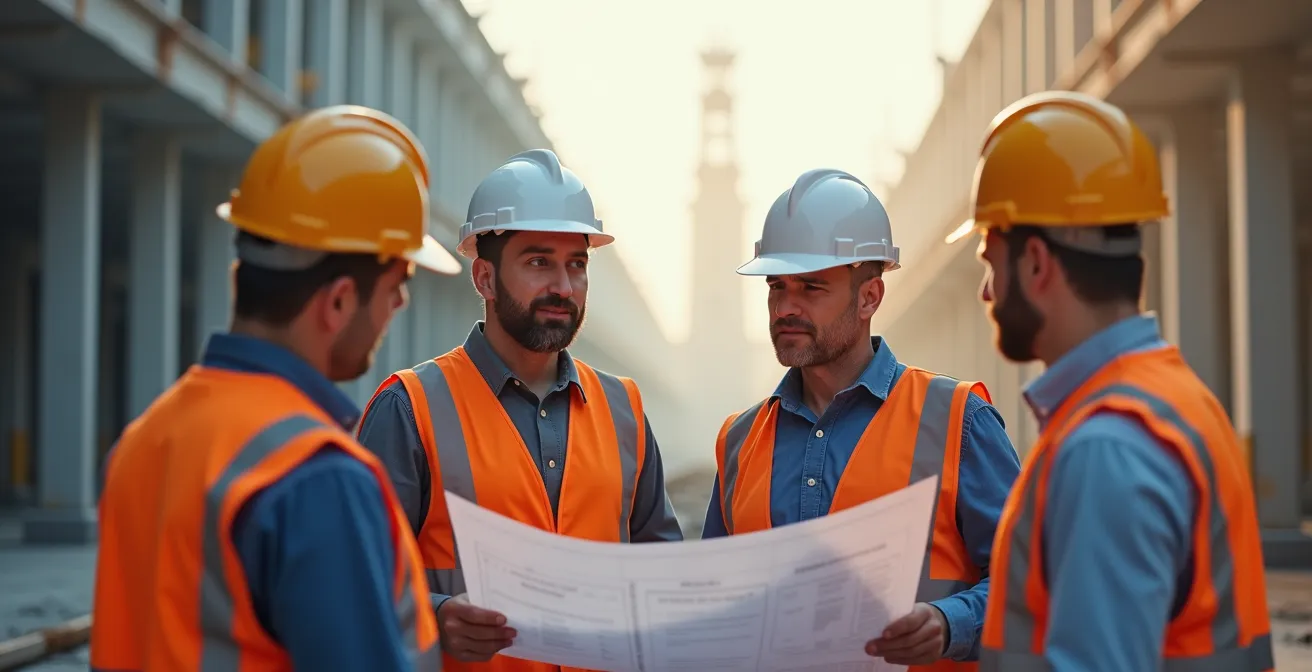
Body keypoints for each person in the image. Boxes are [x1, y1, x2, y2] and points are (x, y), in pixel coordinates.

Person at [90, 105, 462, 671]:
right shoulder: (316, 476)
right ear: (338, 301)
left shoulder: (142, 441)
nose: (400, 304)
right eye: (397, 283)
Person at [952, 90, 1274, 671]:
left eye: (988, 262)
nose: (985, 292)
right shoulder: (1174, 399)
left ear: (1036, 264)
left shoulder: (1106, 449)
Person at [355, 148, 685, 669]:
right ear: (483, 278)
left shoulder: (624, 410)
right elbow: (353, 579)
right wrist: (435, 616)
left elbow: (663, 577)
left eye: (576, 265)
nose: (563, 286)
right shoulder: (409, 408)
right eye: (538, 262)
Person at [701, 168, 1022, 670]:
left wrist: (949, 624)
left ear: (870, 296)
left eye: (811, 287)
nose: (786, 306)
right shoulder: (740, 441)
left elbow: (1028, 581)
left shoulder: (959, 421)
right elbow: (712, 604)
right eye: (776, 286)